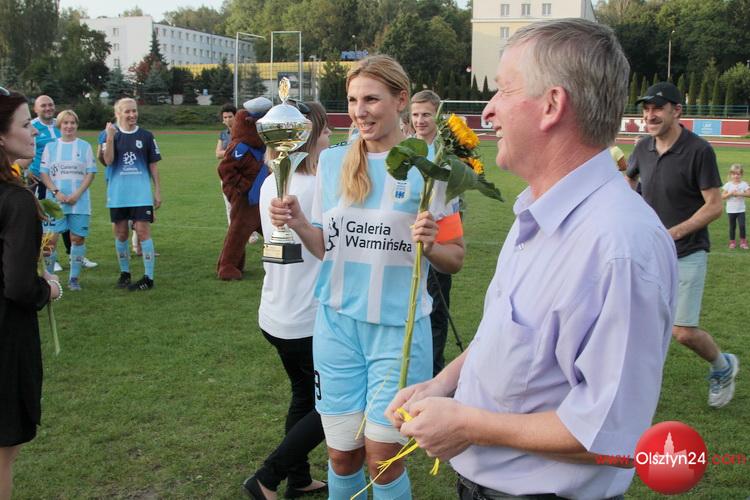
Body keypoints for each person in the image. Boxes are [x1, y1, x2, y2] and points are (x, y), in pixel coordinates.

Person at [386, 19, 678, 499]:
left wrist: (469, 425)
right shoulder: (537, 211)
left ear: (552, 105)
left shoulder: (620, 247)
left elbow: (612, 435)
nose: (488, 110)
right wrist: (442, 383)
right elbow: (509, 337)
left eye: (503, 90)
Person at [270, 55, 465, 500]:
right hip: (336, 328)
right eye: (354, 100)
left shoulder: (433, 164)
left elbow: (455, 258)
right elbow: (327, 246)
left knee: (383, 462)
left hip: (398, 333)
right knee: (342, 457)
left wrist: (431, 245)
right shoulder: (332, 162)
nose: (360, 111)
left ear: (400, 100)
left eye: (372, 99)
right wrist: (299, 223)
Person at [627, 81, 740, 408]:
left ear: (677, 111)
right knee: (637, 322)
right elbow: (629, 182)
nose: (650, 115)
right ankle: (633, 384)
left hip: (688, 251)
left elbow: (714, 206)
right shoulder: (642, 148)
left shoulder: (699, 150)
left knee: (683, 331)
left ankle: (723, 366)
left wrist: (673, 233)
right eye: (646, 109)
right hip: (649, 252)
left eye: (658, 108)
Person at [242, 101, 331, 500]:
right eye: (325, 131)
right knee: (333, 403)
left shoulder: (270, 182)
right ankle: (267, 476)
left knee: (304, 395)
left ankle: (298, 478)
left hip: (276, 313)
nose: (330, 138)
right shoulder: (316, 185)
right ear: (306, 138)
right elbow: (329, 248)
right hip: (305, 318)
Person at [0, 87, 62, 500]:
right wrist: (48, 288)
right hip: (6, 339)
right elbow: (19, 286)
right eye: (25, 125)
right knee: (3, 454)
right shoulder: (17, 201)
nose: (35, 132)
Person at [411, 89, 456, 375]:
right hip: (409, 244)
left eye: (426, 114)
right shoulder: (405, 150)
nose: (420, 120)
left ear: (437, 116)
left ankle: (434, 369)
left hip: (437, 241)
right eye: (415, 114)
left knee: (436, 311)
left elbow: (452, 206)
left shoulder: (446, 154)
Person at [103, 98, 162, 291]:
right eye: (127, 111)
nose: (132, 115)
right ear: (118, 114)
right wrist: (110, 137)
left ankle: (148, 278)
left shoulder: (146, 136)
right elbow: (108, 161)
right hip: (118, 193)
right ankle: (125, 273)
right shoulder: (109, 134)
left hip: (141, 193)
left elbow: (153, 166)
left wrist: (157, 190)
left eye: (134, 111)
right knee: (121, 234)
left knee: (143, 232)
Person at [39, 109, 97, 291]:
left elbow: (90, 173)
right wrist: (56, 192)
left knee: (77, 239)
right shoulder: (50, 147)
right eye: (65, 123)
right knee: (49, 242)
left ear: (77, 125)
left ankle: (74, 279)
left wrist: (77, 194)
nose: (69, 126)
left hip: (79, 202)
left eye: (72, 123)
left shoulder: (85, 146)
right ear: (60, 125)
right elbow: (44, 173)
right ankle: (49, 282)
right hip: (54, 202)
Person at [216, 103, 236, 226]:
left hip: (241, 173)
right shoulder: (223, 134)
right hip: (226, 174)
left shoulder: (242, 132)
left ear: (235, 117)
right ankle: (232, 230)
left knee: (243, 204)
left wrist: (226, 151)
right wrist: (232, 151)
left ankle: (251, 232)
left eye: (230, 117)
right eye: (225, 117)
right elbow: (218, 153)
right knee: (229, 205)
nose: (228, 120)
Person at [722, 163, 748, 249]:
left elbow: (749, 194)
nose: (736, 176)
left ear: (741, 174)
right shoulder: (728, 185)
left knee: (742, 225)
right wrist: (730, 193)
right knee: (732, 226)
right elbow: (722, 196)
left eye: (738, 174)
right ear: (730, 174)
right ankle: (732, 242)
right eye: (734, 174)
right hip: (731, 210)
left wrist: (739, 193)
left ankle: (743, 242)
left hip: (741, 210)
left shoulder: (744, 184)